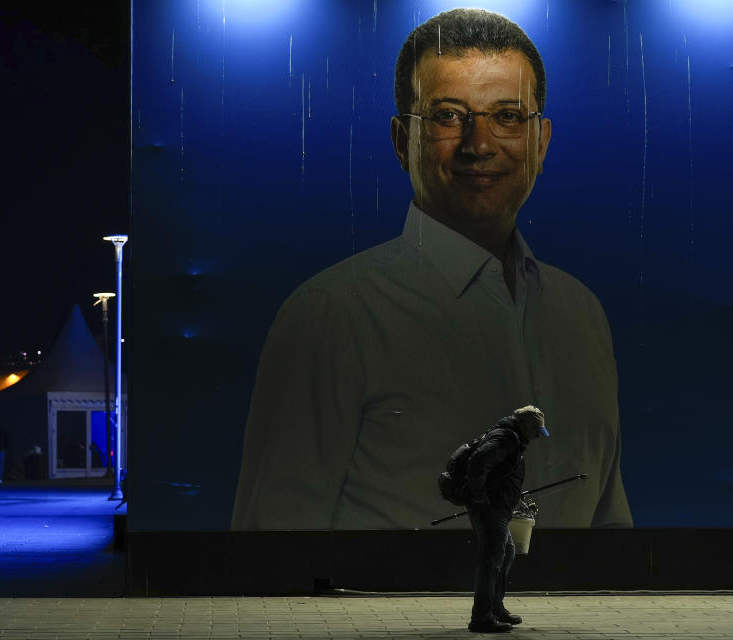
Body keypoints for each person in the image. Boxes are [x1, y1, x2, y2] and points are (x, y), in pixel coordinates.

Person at [231, 8, 632, 531]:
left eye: (508, 116)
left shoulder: (581, 313)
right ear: (402, 142)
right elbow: (268, 552)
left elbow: (609, 526)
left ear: (541, 142)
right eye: (448, 115)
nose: (479, 144)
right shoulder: (329, 317)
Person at [464, 406, 546, 633]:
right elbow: (478, 462)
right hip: (490, 509)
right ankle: (481, 618)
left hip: (497, 507)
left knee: (507, 552)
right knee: (491, 561)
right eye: (536, 430)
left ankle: (495, 608)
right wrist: (480, 496)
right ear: (525, 426)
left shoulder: (510, 437)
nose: (538, 435)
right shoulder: (505, 438)